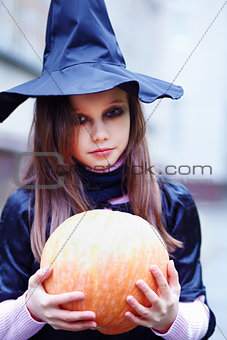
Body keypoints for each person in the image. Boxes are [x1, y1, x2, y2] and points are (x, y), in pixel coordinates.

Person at [0, 0, 215, 339]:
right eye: (79, 118)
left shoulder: (172, 201)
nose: (99, 134)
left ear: (132, 114)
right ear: (53, 125)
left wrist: (171, 318)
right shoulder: (27, 207)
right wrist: (29, 310)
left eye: (113, 112)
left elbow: (202, 313)